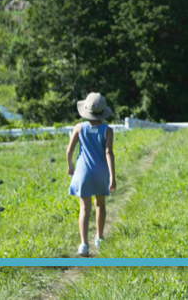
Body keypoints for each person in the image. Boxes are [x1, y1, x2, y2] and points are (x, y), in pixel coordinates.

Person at [65, 92, 117, 256]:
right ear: (103, 112)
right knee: (100, 204)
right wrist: (112, 176)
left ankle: (83, 244)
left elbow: (69, 150)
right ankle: (99, 238)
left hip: (83, 172)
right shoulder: (107, 130)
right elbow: (109, 153)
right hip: (100, 172)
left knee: (84, 208)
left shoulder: (79, 128)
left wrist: (70, 166)